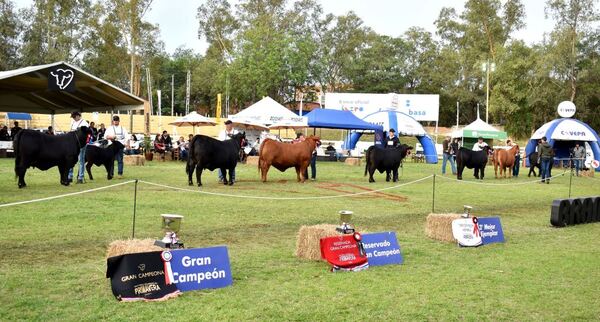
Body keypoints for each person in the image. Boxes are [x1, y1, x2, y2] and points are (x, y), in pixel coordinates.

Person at [67, 111, 90, 184]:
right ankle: (69, 176)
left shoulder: (84, 123)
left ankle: (80, 177)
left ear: (78, 116)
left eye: (74, 117)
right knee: (71, 159)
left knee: (81, 160)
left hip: (81, 145)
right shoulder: (72, 122)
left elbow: (87, 134)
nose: (73, 118)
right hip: (72, 144)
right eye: (73, 117)